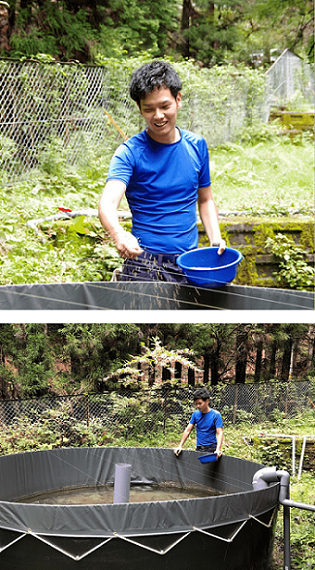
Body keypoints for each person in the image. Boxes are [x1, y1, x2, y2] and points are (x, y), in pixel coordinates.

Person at [98, 60, 225, 282]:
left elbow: (205, 200)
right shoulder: (129, 153)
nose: (158, 115)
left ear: (178, 100)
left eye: (164, 106)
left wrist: (215, 239)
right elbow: (107, 204)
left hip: (189, 259)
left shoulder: (197, 145)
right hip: (144, 261)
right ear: (140, 109)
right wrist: (119, 234)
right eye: (149, 109)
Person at [174, 388, 223, 457]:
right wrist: (180, 446)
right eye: (196, 404)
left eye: (200, 403)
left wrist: (218, 449)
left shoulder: (216, 415)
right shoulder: (195, 414)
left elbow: (219, 433)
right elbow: (188, 430)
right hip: (199, 448)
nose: (198, 406)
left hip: (212, 447)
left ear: (207, 401)